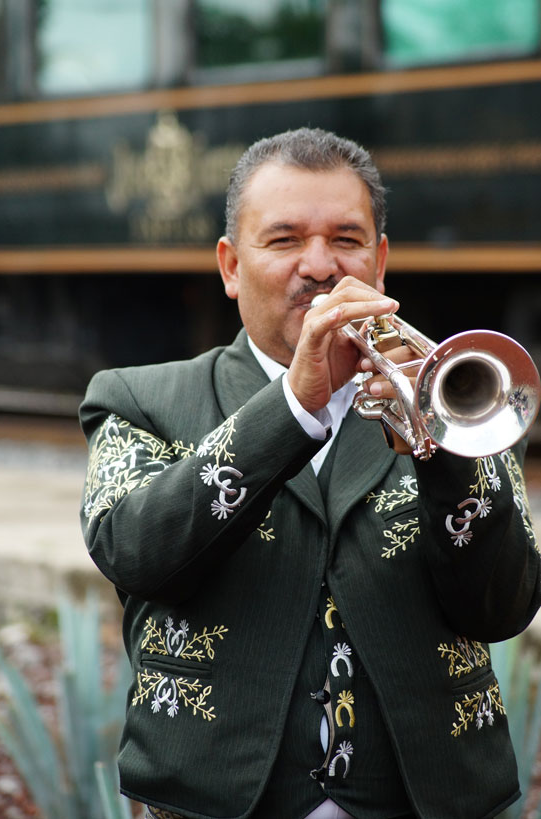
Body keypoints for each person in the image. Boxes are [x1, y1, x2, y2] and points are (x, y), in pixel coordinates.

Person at [79, 127, 541, 819]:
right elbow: (136, 553)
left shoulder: (457, 398)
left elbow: (502, 605)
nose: (320, 266)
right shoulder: (138, 397)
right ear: (231, 266)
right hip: (216, 797)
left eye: (346, 240)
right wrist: (293, 406)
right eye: (285, 239)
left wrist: (442, 450)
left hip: (428, 798)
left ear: (379, 262)